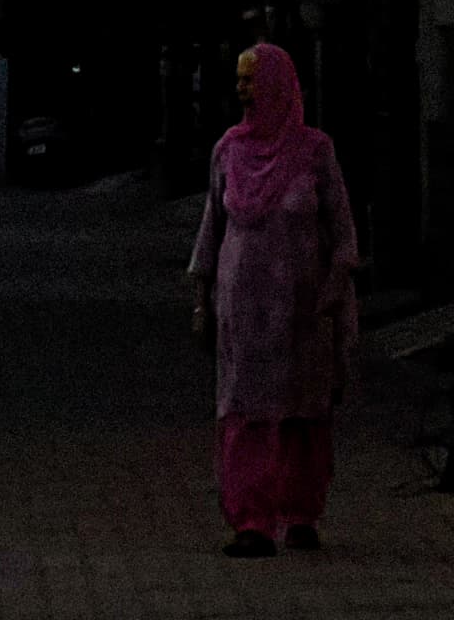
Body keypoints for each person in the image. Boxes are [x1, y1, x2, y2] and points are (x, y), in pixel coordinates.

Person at [187, 40, 359, 558]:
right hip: (244, 315)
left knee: (303, 414)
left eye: (251, 79)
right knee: (246, 414)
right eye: (239, 80)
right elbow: (211, 231)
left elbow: (344, 232)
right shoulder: (228, 151)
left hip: (303, 314)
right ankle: (252, 522)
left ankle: (301, 515)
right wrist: (202, 301)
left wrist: (332, 293)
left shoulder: (315, 151)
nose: (243, 90)